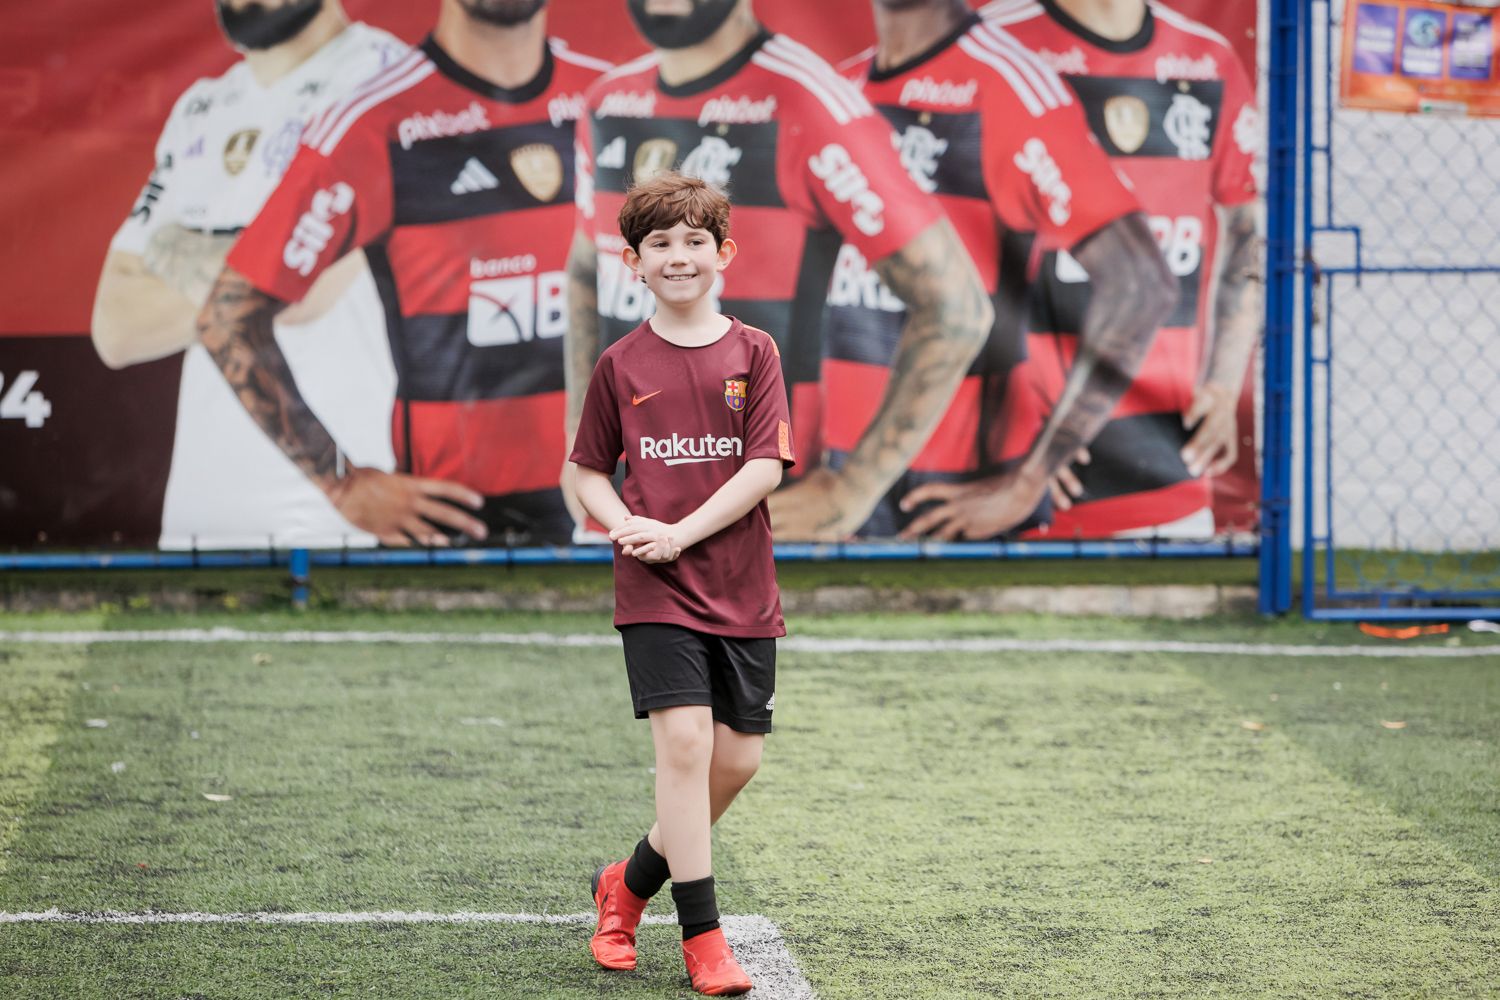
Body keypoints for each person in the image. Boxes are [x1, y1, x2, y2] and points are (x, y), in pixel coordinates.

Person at [566, 0, 994, 542]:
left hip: (749, 526)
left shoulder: (806, 101)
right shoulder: (606, 102)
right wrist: (578, 445)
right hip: (617, 517)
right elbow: (587, 273)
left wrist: (852, 491)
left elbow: (957, 308)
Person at [197, 0, 610, 547]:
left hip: (639, 514)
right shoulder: (376, 122)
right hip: (469, 536)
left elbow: (715, 293)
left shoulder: (616, 102)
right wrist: (342, 482)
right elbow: (228, 319)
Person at [908, 0, 1261, 538]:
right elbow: (935, 260)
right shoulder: (987, 48)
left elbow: (1246, 234)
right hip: (1012, 475)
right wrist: (1027, 448)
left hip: (1168, 464)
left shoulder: (1208, 60)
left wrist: (1224, 382)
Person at [570, 172, 794, 996]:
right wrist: (624, 523)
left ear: (723, 253)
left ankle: (627, 884)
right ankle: (704, 941)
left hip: (740, 584)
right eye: (659, 243)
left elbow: (765, 467)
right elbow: (587, 471)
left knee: (737, 761)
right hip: (654, 588)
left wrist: (680, 532)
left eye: (695, 241)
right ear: (633, 261)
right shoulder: (620, 363)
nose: (678, 256)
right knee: (687, 748)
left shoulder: (755, 352)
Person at [91, 0, 405, 549]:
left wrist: (174, 248)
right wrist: (257, 272)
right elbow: (115, 328)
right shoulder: (203, 106)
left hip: (349, 514)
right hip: (201, 518)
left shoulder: (391, 83)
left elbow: (301, 296)